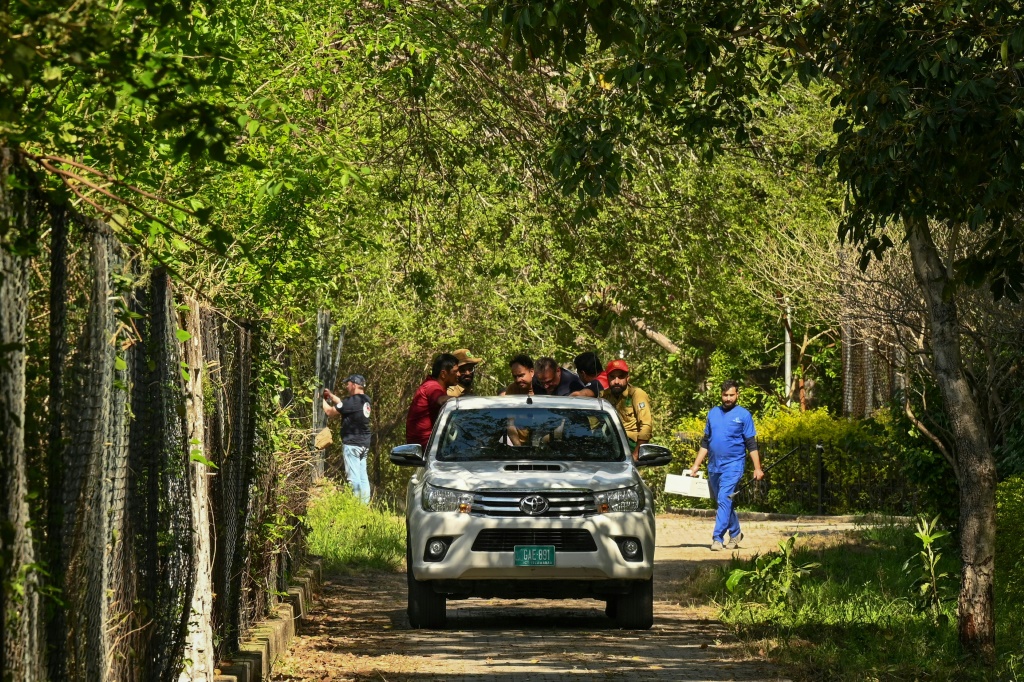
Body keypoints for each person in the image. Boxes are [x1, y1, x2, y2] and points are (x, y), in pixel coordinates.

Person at [689, 380, 764, 551]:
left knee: (724, 498)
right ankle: (736, 533)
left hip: (734, 465)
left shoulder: (744, 415)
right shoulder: (713, 413)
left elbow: (751, 444)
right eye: (725, 395)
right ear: (721, 395)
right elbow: (705, 442)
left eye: (731, 395)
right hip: (714, 466)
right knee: (723, 501)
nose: (728, 398)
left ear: (737, 395)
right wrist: (696, 465)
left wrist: (757, 468)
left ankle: (717, 538)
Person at [323, 375, 372, 504]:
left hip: (352, 444)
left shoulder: (351, 401)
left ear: (354, 385)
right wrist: (331, 396)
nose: (346, 386)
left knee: (353, 478)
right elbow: (342, 404)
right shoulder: (366, 400)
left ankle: (355, 506)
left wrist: (319, 399)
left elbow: (329, 412)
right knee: (363, 477)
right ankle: (364, 507)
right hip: (364, 444)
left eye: (348, 384)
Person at [600, 359, 653, 462]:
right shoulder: (604, 396)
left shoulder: (636, 394)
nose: (616, 381)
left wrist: (636, 455)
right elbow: (594, 425)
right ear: (607, 378)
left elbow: (646, 425)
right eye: (612, 377)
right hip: (608, 444)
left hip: (629, 445)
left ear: (627, 378)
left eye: (621, 377)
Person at [406, 353, 461, 448]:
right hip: (426, 448)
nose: (459, 374)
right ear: (443, 374)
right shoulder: (432, 386)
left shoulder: (435, 386)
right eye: (455, 371)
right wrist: (465, 401)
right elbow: (441, 400)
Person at [532, 357, 596, 397]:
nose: (545, 386)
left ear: (558, 371)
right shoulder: (536, 380)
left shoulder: (574, 385)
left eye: (549, 381)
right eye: (541, 383)